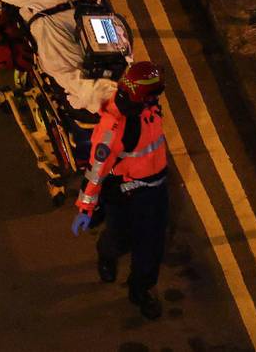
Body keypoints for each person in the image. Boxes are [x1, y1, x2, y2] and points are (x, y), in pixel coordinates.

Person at [71, 62, 169, 320]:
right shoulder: (114, 129)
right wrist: (85, 208)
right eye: (154, 93)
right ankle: (107, 253)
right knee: (120, 240)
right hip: (128, 194)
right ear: (143, 95)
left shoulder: (146, 106)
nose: (157, 97)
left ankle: (141, 289)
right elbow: (96, 171)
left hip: (156, 188)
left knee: (152, 246)